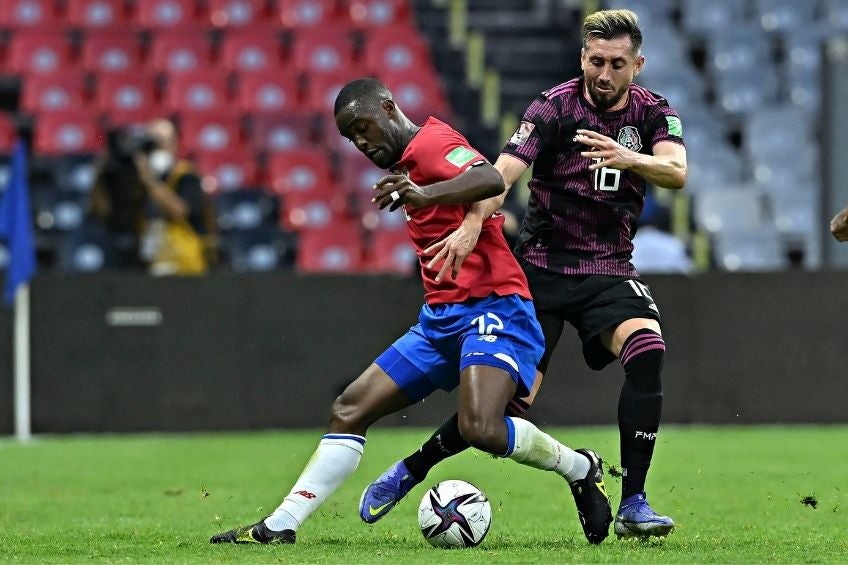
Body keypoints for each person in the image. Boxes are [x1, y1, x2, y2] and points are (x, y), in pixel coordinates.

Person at [210, 77, 612, 545]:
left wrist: (424, 195)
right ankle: (280, 525)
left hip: (495, 307)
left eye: (364, 127)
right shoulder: (406, 165)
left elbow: (489, 178)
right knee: (349, 409)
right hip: (440, 320)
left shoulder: (432, 143)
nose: (361, 142)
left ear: (388, 106)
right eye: (351, 138)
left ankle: (580, 467)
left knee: (479, 427)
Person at [360, 9, 687, 540]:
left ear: (638, 64)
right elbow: (500, 175)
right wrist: (471, 225)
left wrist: (629, 159)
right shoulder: (554, 107)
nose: (603, 74)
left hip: (608, 268)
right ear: (582, 56)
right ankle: (412, 470)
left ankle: (635, 503)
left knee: (648, 351)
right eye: (595, 61)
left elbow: (676, 171)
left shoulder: (653, 114)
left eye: (617, 64)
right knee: (499, 409)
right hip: (539, 270)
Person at [89, 118, 214, 275]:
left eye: (161, 142)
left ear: (174, 144)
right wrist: (104, 172)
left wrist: (149, 181)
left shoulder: (185, 175)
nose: (156, 148)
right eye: (150, 143)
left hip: (182, 265)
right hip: (148, 261)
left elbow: (181, 211)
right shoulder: (134, 177)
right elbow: (104, 211)